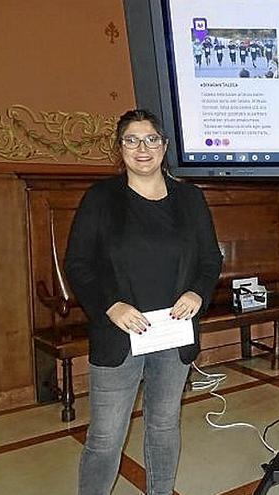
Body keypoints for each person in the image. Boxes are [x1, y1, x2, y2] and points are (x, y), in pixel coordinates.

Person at [66, 109, 223, 495]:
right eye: (132, 140)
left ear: (164, 147)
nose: (142, 148)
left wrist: (197, 293)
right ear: (119, 149)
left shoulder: (190, 198)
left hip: (172, 334)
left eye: (151, 139)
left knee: (164, 425)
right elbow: (78, 264)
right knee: (105, 437)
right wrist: (111, 306)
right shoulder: (100, 198)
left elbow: (210, 259)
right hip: (119, 335)